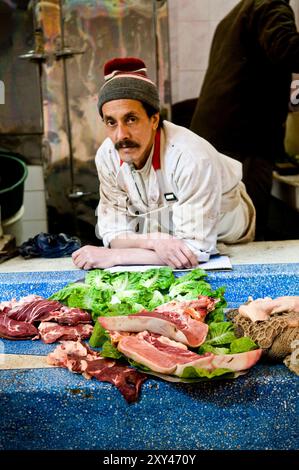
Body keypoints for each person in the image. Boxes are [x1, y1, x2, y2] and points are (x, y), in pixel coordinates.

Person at [72, 57, 255, 270]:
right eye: (111, 122)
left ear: (154, 120)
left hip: (227, 229)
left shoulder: (190, 157)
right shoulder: (107, 155)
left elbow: (195, 251)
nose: (121, 135)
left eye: (131, 119)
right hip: (168, 233)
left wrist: (116, 257)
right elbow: (113, 231)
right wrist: (154, 241)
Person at [190, 0, 299, 240]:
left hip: (218, 139)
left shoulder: (235, 16)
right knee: (246, 231)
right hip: (244, 143)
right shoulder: (270, 4)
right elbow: (289, 50)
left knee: (222, 231)